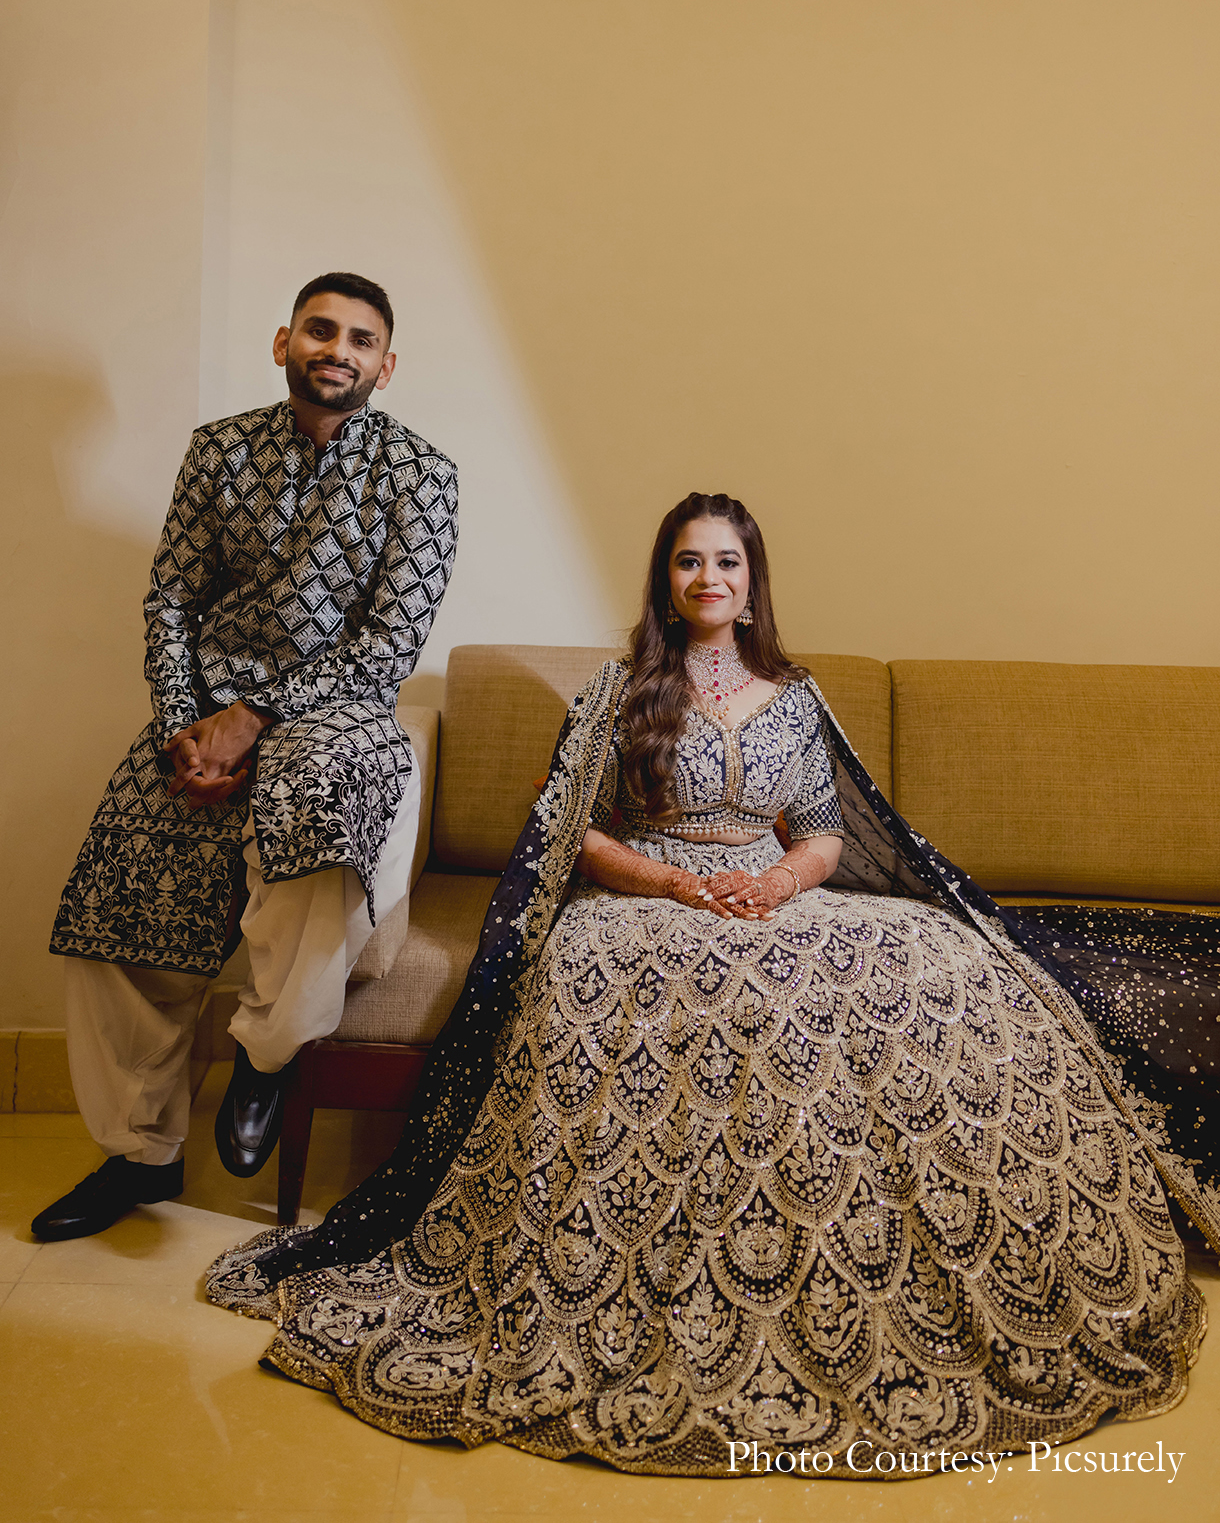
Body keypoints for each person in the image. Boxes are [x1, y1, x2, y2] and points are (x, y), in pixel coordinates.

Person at [205, 492, 1216, 1479]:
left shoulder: (795, 693)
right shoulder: (620, 689)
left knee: (936, 976)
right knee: (684, 997)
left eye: (726, 561)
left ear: (751, 579)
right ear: (667, 578)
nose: (708, 576)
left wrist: (777, 881)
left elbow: (821, 833)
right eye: (689, 560)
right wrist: (672, 881)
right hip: (639, 900)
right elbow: (574, 832)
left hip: (767, 893)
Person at [32, 273, 458, 1242]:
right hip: (204, 717)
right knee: (118, 892)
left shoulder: (420, 475)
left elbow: (389, 644)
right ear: (282, 342)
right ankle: (139, 1149)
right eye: (320, 329)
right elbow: (172, 597)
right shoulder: (218, 450)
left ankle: (266, 1054)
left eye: (359, 338)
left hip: (337, 713)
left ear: (386, 365)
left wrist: (253, 716)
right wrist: (185, 724)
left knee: (313, 813)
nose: (337, 348)